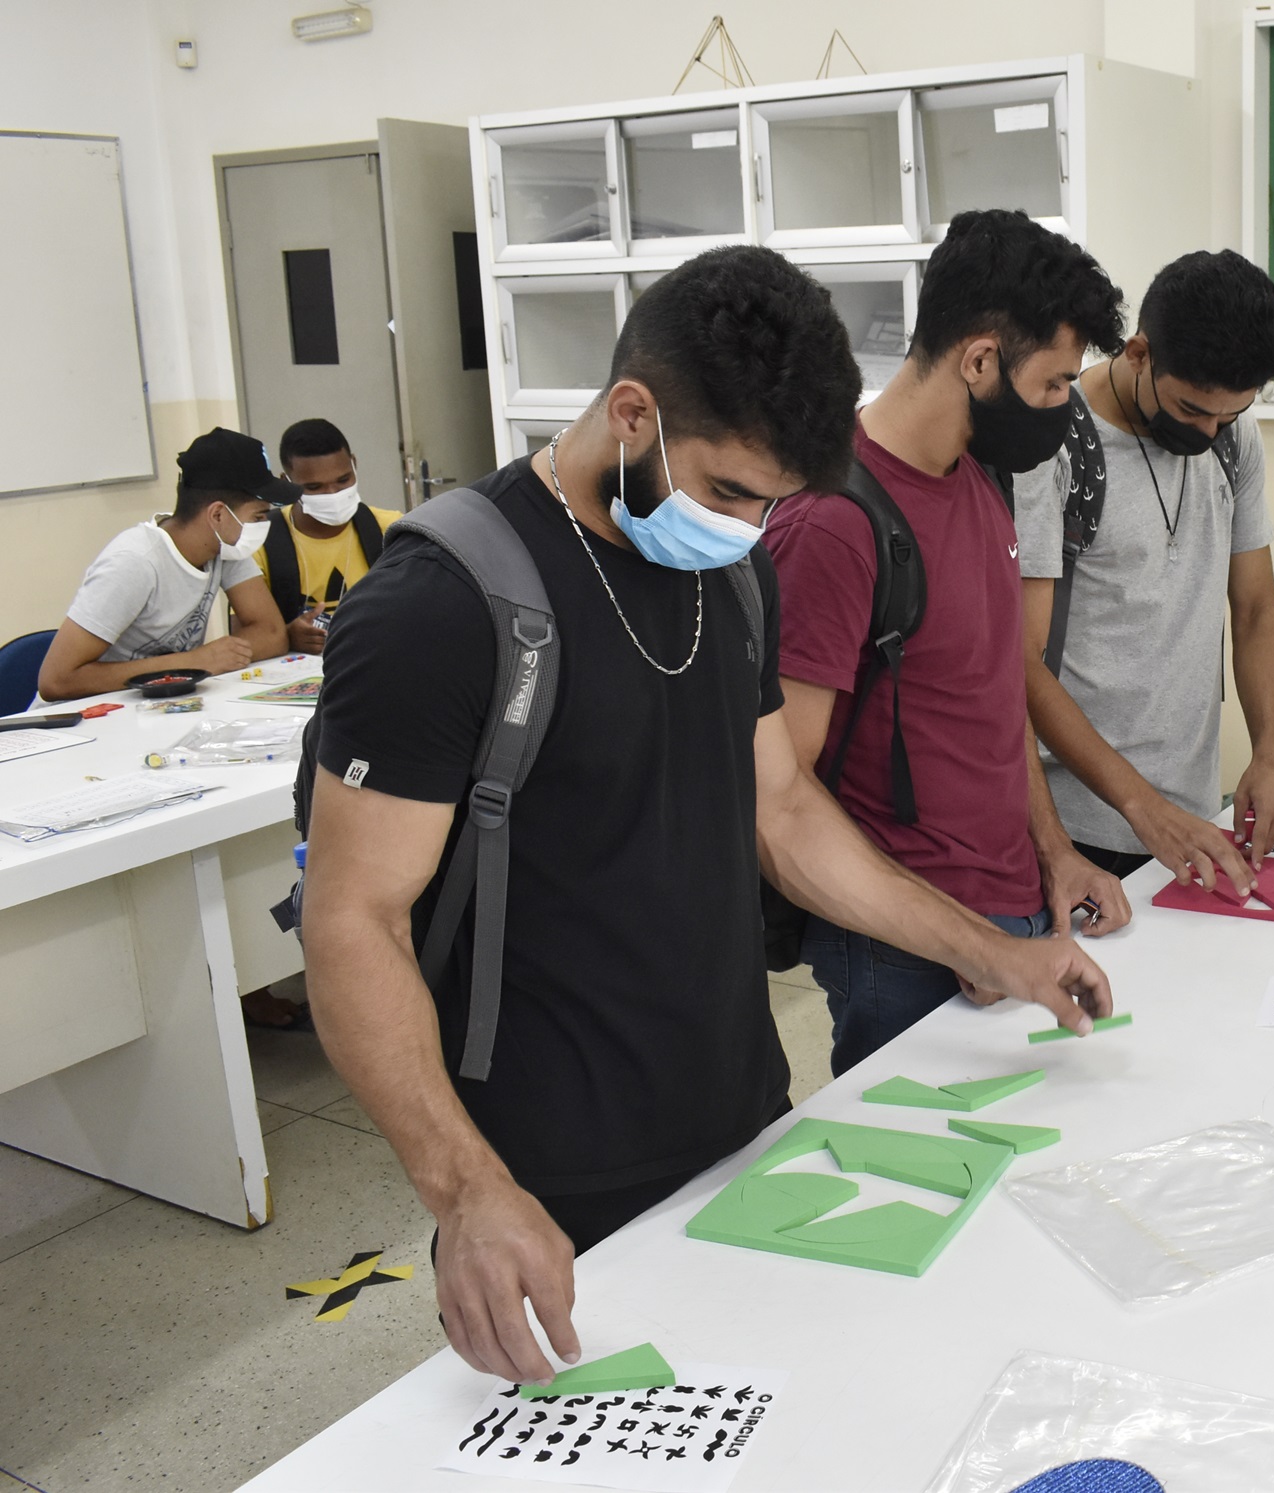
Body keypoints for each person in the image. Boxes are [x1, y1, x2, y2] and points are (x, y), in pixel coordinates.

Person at [298, 246, 1113, 1390]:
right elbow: (352, 918)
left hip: (742, 1116)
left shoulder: (733, 572)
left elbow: (785, 811)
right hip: (547, 1169)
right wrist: (468, 1192)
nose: (747, 523)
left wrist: (995, 950)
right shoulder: (438, 604)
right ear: (633, 413)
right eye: (729, 491)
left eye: (772, 501)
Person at [763, 209, 1134, 1077]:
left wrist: (1055, 854)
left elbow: (994, 699)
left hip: (1015, 917)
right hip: (903, 948)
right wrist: (966, 940)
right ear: (979, 361)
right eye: (1053, 384)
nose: (1064, 407)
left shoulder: (977, 480)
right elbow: (782, 795)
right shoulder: (832, 524)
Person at [1015, 249, 1274, 890]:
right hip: (1079, 826)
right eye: (1191, 410)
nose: (1209, 431)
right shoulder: (1054, 447)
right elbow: (1019, 662)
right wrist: (1141, 807)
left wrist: (1271, 754)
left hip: (1190, 813)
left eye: (1229, 414)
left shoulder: (1232, 437)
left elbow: (1256, 608)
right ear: (1139, 353)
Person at [37, 428, 292, 702]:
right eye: (258, 517)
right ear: (218, 515)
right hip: (86, 715)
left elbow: (272, 634)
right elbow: (56, 681)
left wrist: (211, 658)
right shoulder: (135, 562)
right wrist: (193, 662)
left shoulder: (225, 547)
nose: (263, 525)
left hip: (155, 705)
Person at [259, 418, 402, 654]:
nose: (333, 494)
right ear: (287, 483)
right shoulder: (262, 540)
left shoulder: (391, 529)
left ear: (354, 464)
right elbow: (245, 636)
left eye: (343, 480)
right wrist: (286, 636)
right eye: (314, 487)